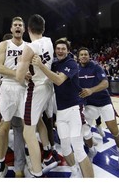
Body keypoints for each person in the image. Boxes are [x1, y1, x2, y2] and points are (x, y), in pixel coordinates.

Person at [32, 37, 94, 178]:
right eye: (58, 48)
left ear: (68, 51)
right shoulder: (54, 64)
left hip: (74, 108)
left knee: (77, 148)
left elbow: (59, 80)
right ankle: (75, 171)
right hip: (60, 111)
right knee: (65, 147)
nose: (60, 51)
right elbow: (46, 76)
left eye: (63, 49)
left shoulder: (71, 62)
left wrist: (41, 65)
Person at [16, 14, 57, 177]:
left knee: (28, 132)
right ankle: (47, 153)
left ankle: (37, 172)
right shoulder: (49, 41)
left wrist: (21, 61)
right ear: (44, 28)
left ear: (27, 29)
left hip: (36, 88)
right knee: (38, 120)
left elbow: (19, 77)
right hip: (47, 86)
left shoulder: (29, 48)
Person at [78, 47, 119, 169]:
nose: (84, 56)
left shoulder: (96, 67)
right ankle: (91, 150)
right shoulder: (76, 70)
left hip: (104, 103)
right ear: (78, 57)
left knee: (114, 131)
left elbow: (105, 83)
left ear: (89, 56)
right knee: (83, 129)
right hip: (90, 105)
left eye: (86, 54)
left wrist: (91, 90)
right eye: (81, 54)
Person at [0, 16, 27, 178]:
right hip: (7, 87)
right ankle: (1, 163)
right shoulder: (4, 44)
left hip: (25, 89)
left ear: (24, 29)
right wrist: (19, 73)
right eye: (15, 25)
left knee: (25, 128)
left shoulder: (29, 46)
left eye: (20, 25)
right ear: (11, 29)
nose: (18, 27)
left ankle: (22, 162)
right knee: (4, 127)